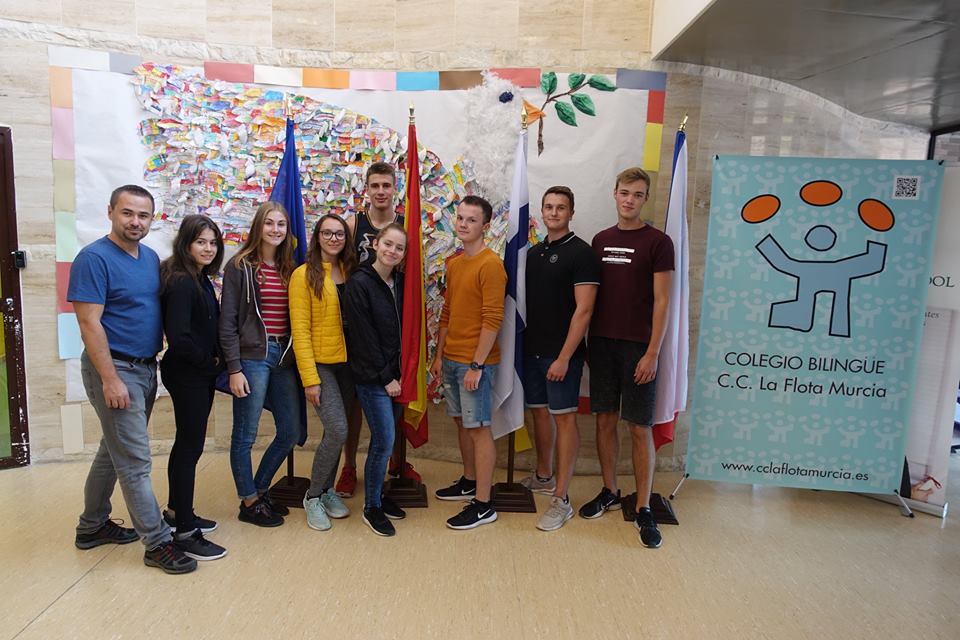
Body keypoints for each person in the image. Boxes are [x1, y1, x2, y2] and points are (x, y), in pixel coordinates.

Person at [70, 184, 196, 574]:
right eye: (127, 213)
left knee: (113, 452)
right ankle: (157, 543)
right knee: (136, 462)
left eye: (143, 215)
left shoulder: (149, 258)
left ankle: (92, 526)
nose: (135, 222)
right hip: (115, 370)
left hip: (144, 368)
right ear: (110, 212)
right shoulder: (93, 259)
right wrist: (110, 379)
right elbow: (89, 324)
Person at [581, 167, 674, 549]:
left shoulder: (659, 242)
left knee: (638, 427)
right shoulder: (601, 240)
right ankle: (609, 490)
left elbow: (663, 301)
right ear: (615, 194)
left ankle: (643, 506)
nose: (629, 200)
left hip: (639, 348)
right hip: (602, 344)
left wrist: (652, 352)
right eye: (624, 193)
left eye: (637, 194)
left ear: (645, 199)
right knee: (604, 420)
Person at [337, 162, 419, 497]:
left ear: (394, 188)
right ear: (367, 189)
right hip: (355, 320)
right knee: (355, 402)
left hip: (391, 320)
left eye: (386, 185)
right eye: (375, 185)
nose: (381, 191)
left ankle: (395, 460)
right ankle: (349, 466)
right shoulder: (353, 224)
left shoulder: (404, 225)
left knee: (395, 396)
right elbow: (339, 266)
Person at [520, 186, 600, 532]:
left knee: (564, 419)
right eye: (549, 207)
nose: (554, 213)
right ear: (542, 211)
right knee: (540, 413)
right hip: (532, 351)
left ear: (571, 213)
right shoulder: (534, 253)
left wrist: (565, 357)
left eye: (561, 207)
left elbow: (584, 311)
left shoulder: (582, 253)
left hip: (562, 356)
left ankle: (561, 499)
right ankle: (544, 475)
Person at [220, 201, 300, 527]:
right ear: (258, 226)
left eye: (281, 224)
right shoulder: (240, 266)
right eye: (269, 223)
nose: (275, 230)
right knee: (245, 434)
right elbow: (227, 322)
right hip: (253, 358)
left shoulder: (289, 268)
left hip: (283, 356)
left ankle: (261, 489)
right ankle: (249, 501)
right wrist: (234, 369)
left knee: (291, 430)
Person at [430, 195, 507, 530]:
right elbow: (447, 312)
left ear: (485, 226)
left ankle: (483, 504)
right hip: (451, 359)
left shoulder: (491, 265)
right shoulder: (455, 264)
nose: (463, 224)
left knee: (479, 429)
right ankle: (469, 480)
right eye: (460, 218)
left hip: (476, 363)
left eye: (471, 220)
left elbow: (493, 319)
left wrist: (477, 365)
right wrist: (439, 355)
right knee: (462, 423)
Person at [158, 214, 228, 561]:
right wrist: (210, 363)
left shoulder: (199, 279)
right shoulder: (182, 282)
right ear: (186, 244)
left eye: (213, 243)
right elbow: (180, 337)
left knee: (187, 445)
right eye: (201, 241)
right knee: (189, 449)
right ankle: (184, 531)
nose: (208, 248)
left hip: (198, 374)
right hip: (189, 374)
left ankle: (176, 511)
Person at [289, 214, 357, 531]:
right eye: (327, 233)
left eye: (339, 234)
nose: (333, 238)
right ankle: (313, 496)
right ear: (317, 237)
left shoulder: (351, 271)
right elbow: (300, 331)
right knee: (339, 429)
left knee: (338, 431)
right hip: (320, 363)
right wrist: (310, 379)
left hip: (348, 364)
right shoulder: (303, 275)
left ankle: (328, 490)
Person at [344, 223, 411, 536]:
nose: (392, 251)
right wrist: (385, 378)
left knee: (386, 441)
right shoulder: (359, 282)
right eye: (388, 244)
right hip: (373, 378)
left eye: (399, 247)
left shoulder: (401, 283)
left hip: (398, 375)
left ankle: (379, 496)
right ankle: (371, 507)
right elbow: (363, 337)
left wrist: (402, 372)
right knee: (384, 440)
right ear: (375, 244)